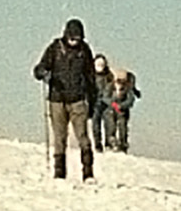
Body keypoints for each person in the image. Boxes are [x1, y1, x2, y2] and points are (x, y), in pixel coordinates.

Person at [34, 18, 98, 181]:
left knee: (82, 136)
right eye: (72, 38)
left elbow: (91, 78)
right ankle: (59, 173)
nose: (74, 41)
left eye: (77, 39)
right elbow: (40, 67)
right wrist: (42, 72)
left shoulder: (85, 51)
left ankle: (88, 173)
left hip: (78, 100)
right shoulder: (54, 48)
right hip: (57, 100)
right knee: (59, 137)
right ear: (66, 34)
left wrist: (92, 102)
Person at [109, 68, 139, 152]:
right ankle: (112, 141)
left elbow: (130, 100)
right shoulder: (111, 88)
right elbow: (106, 96)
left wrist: (121, 106)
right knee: (111, 125)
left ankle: (123, 144)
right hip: (112, 110)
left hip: (122, 112)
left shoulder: (127, 89)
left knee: (122, 126)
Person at [90, 55, 114, 154]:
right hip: (95, 103)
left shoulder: (109, 76)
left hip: (106, 103)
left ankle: (109, 143)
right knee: (96, 124)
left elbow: (111, 89)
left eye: (102, 64)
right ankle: (97, 144)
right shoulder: (90, 75)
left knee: (109, 123)